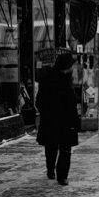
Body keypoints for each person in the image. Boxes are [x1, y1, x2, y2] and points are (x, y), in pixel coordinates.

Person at [36, 53, 80, 186]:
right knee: (65, 149)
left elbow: (39, 101)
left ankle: (51, 170)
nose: (73, 67)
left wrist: (46, 113)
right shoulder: (65, 82)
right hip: (65, 120)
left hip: (50, 120)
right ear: (67, 66)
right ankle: (62, 176)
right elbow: (71, 103)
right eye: (72, 65)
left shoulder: (47, 78)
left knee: (51, 146)